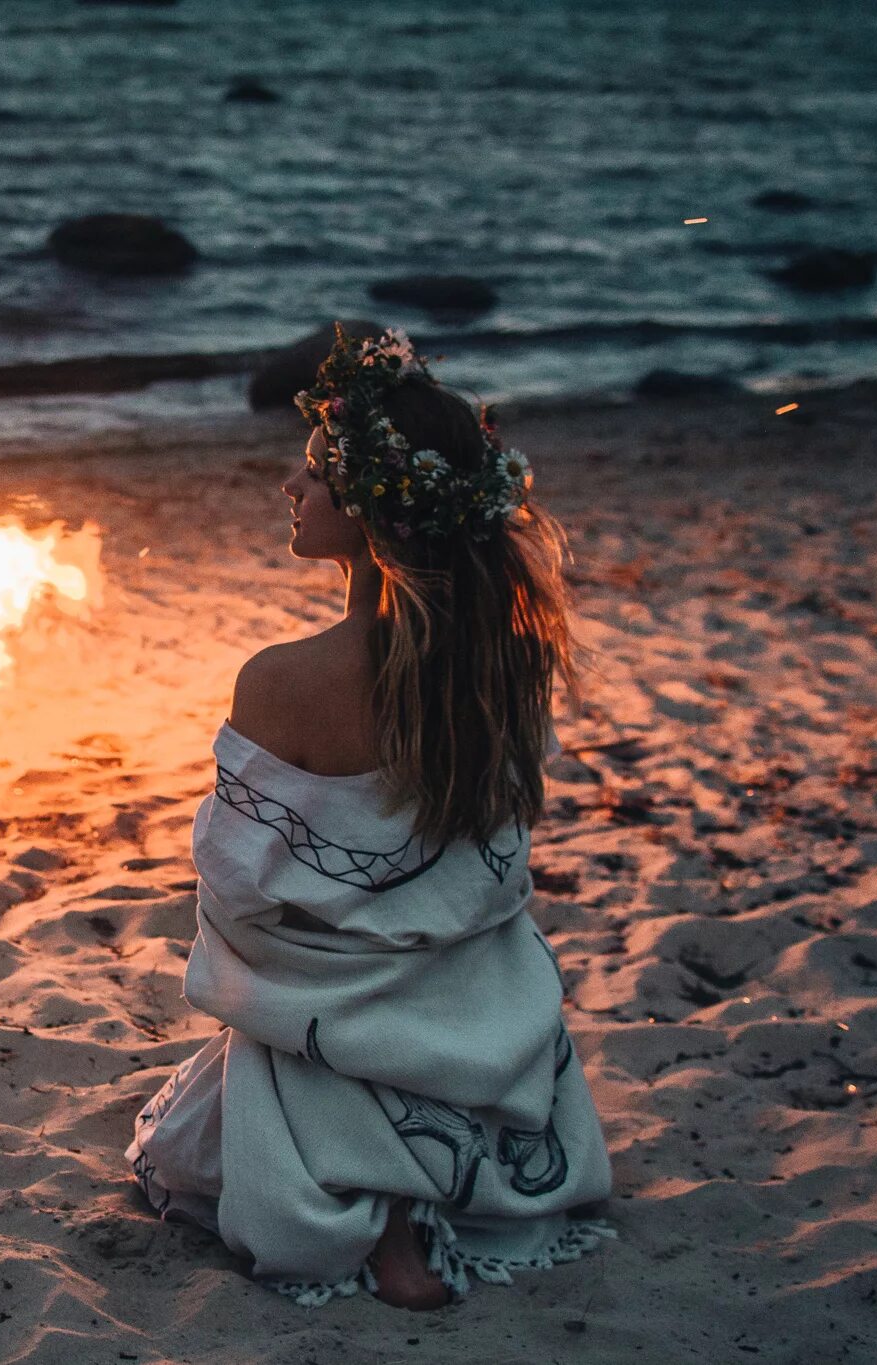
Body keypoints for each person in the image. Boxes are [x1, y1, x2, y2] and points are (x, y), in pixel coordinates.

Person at [126, 324, 616, 1310]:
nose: (289, 491)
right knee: (426, 971)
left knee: (250, 1055)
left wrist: (291, 963)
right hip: (466, 996)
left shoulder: (281, 681)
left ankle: (375, 1202)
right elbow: (494, 863)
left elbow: (235, 897)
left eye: (310, 474)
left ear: (366, 508)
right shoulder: (501, 666)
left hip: (330, 998)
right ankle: (428, 1175)